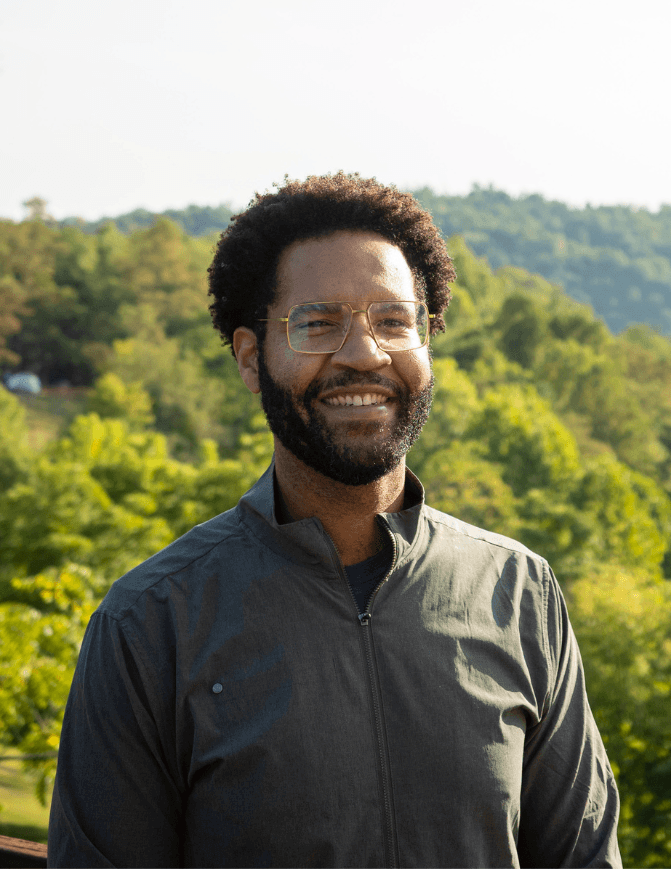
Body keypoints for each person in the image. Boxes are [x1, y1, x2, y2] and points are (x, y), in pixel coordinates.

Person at [47, 174, 621, 868]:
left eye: (393, 321)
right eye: (318, 324)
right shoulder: (150, 624)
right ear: (252, 359)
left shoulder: (518, 593)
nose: (363, 354)